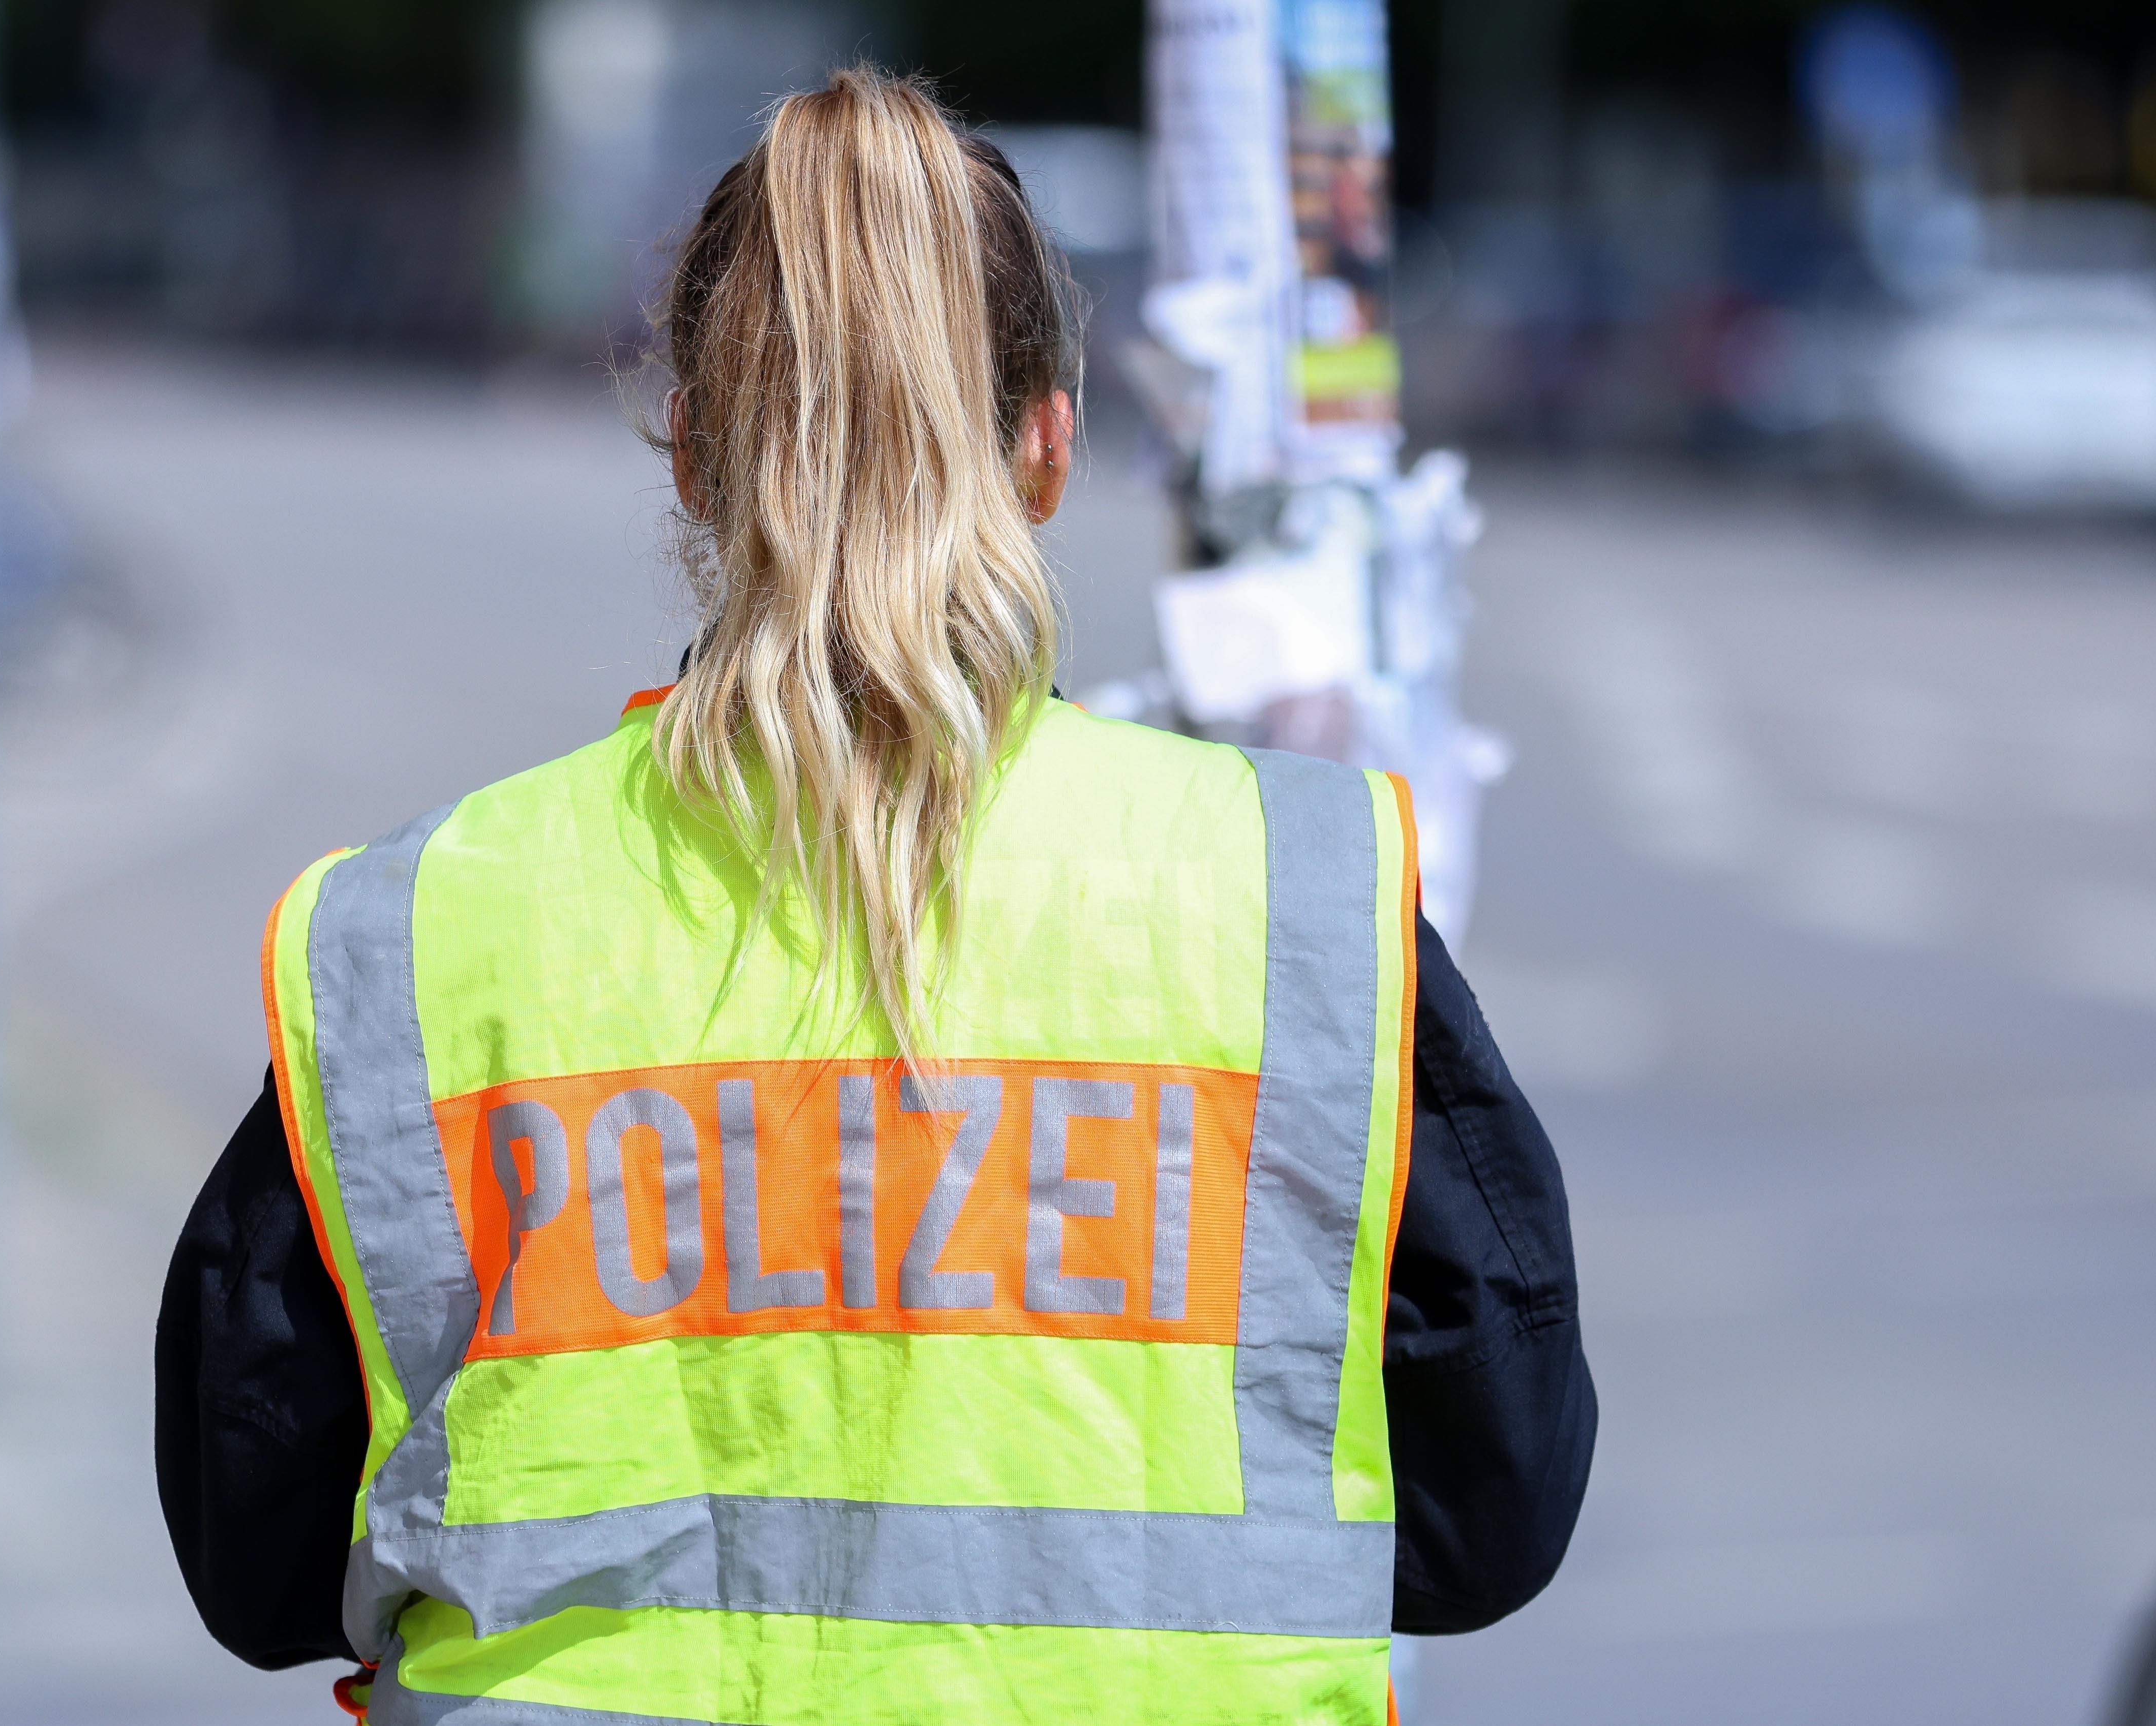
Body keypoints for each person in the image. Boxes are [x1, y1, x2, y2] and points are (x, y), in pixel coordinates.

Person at [157, 68, 1592, 1725]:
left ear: (692, 450)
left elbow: (254, 1560)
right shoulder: (1290, 896)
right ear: (1046, 446)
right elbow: (1488, 1521)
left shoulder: (423, 929)